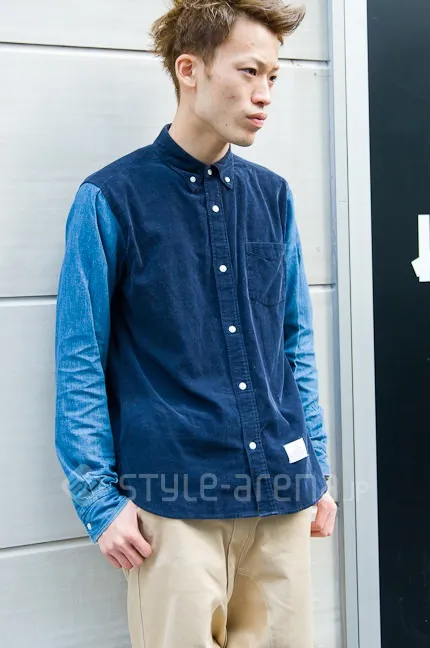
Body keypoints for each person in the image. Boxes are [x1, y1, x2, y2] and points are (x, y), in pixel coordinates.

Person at [55, 0, 338, 646]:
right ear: (191, 70)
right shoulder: (110, 199)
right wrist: (99, 502)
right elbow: (79, 358)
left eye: (274, 76)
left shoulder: (273, 196)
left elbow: (295, 344)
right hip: (173, 511)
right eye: (249, 71)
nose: (265, 94)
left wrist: (316, 470)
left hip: (282, 501)